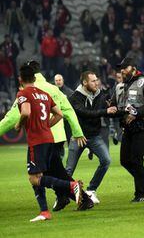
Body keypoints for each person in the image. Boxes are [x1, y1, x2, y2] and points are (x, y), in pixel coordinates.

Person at [0, 60, 91, 212]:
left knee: (41, 175)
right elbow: (66, 110)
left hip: (39, 139)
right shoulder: (52, 89)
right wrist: (77, 131)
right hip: (56, 136)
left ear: (23, 76)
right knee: (52, 171)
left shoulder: (26, 92)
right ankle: (61, 199)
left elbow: (12, 117)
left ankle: (81, 197)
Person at [15, 64, 82, 222]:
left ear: (21, 79)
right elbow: (59, 114)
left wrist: (19, 124)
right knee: (39, 175)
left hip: (36, 141)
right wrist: (46, 126)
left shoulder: (23, 93)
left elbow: (25, 112)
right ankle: (44, 211)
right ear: (34, 78)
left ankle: (71, 186)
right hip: (49, 138)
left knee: (34, 178)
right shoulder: (44, 94)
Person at [111, 57, 144, 202]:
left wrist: (136, 113)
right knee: (125, 160)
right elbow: (115, 103)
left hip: (143, 125)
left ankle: (141, 193)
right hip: (128, 126)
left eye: (125, 67)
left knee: (136, 159)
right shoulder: (120, 86)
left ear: (133, 68)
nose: (122, 70)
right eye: (121, 68)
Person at [66, 71, 116, 204]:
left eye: (96, 80)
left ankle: (91, 190)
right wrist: (105, 111)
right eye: (93, 81)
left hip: (94, 136)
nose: (96, 83)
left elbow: (109, 110)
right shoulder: (74, 97)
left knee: (106, 160)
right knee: (69, 169)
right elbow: (85, 113)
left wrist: (123, 111)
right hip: (78, 137)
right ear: (84, 83)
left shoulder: (100, 94)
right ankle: (62, 195)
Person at [54, 73, 73, 149]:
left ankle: (71, 158)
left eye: (59, 80)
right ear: (54, 82)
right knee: (58, 142)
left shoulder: (69, 92)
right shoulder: (52, 92)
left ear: (63, 80)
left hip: (66, 121)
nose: (58, 82)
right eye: (56, 80)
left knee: (70, 140)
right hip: (57, 121)